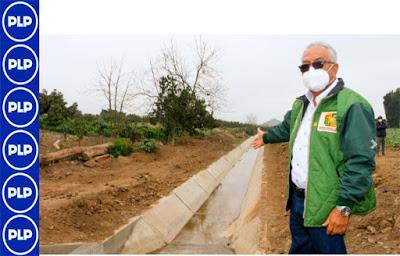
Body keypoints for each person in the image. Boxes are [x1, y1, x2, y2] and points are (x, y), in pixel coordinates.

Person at [252, 42, 377, 254]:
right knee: (300, 249)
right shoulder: (302, 104)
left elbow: (360, 162)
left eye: (318, 64)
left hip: (328, 206)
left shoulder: (351, 105)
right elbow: (286, 129)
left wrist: (343, 209)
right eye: (305, 66)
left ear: (334, 68)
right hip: (299, 201)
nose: (310, 71)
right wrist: (266, 138)